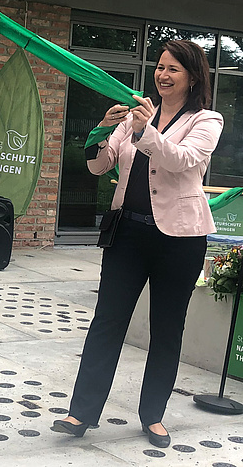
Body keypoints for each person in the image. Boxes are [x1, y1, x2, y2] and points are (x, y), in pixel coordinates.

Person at [51, 40, 223, 448]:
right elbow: (98, 164)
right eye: (160, 67)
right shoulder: (134, 116)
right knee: (107, 322)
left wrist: (145, 129)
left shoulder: (207, 120)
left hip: (179, 239)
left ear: (193, 77)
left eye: (173, 70)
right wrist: (103, 129)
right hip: (127, 234)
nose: (162, 75)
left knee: (167, 329)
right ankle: (81, 413)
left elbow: (181, 160)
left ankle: (153, 416)